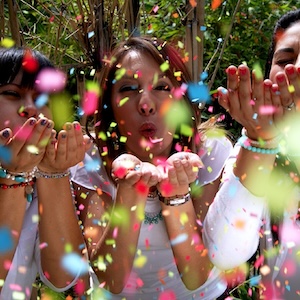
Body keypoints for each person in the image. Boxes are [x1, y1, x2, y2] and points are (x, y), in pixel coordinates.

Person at [70, 36, 238, 299]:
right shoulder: (90, 163)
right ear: (110, 107)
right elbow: (109, 279)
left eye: (161, 87)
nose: (145, 104)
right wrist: (129, 191)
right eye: (127, 89)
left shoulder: (209, 154)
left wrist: (176, 194)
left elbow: (196, 274)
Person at [203, 8, 300, 299]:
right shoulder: (253, 148)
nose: (296, 69)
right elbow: (224, 252)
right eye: (284, 60)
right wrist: (261, 143)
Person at [0, 46, 89, 299]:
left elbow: (62, 277)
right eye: (11, 93)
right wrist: (14, 178)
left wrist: (53, 173)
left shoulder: (41, 177)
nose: (30, 108)